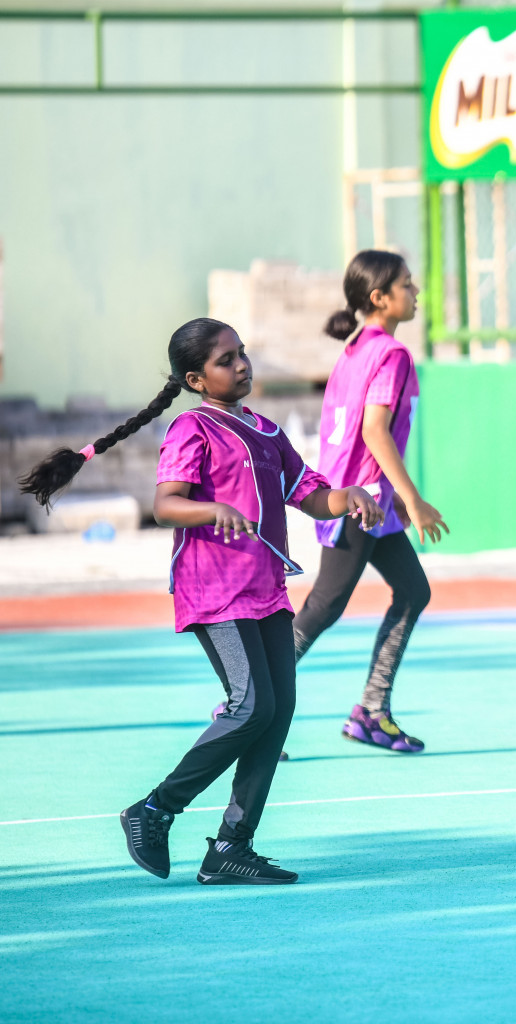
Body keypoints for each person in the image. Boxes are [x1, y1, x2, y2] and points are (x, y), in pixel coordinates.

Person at [21, 318, 384, 884]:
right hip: (215, 590)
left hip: (266, 590)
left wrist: (349, 497)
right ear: (195, 377)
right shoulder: (193, 427)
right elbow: (167, 503)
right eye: (225, 360)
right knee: (251, 707)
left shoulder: (266, 431)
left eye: (242, 354)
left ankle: (232, 847)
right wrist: (211, 509)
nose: (241, 365)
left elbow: (311, 496)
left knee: (278, 710)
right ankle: (154, 810)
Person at [288, 250, 446, 753]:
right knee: (324, 605)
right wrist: (413, 499)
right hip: (361, 500)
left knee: (412, 591)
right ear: (379, 298)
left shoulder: (358, 346)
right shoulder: (390, 354)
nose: (415, 290)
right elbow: (374, 431)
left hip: (367, 498)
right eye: (406, 284)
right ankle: (245, 707)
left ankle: (371, 711)